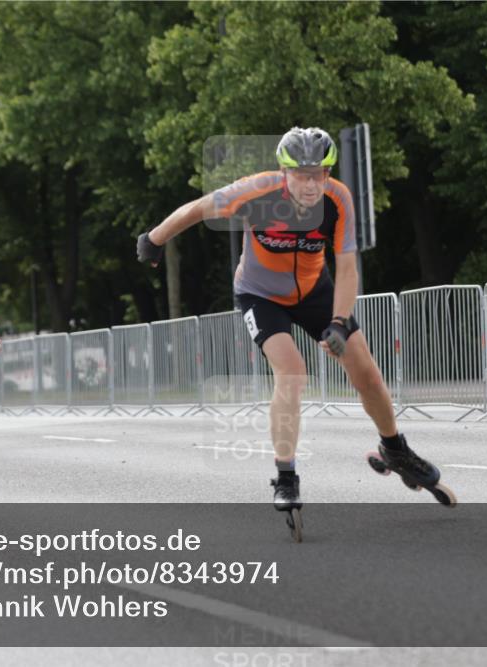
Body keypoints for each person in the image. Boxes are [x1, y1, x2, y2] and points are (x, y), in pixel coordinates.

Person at [137, 127, 455, 519]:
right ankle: (285, 476)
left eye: (318, 174)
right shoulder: (256, 192)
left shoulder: (338, 200)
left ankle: (395, 448)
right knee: (292, 372)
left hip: (313, 292)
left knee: (366, 374)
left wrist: (339, 323)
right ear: (284, 172)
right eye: (301, 175)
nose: (310, 184)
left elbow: (349, 268)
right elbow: (199, 208)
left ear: (327, 173)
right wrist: (153, 239)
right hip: (259, 294)